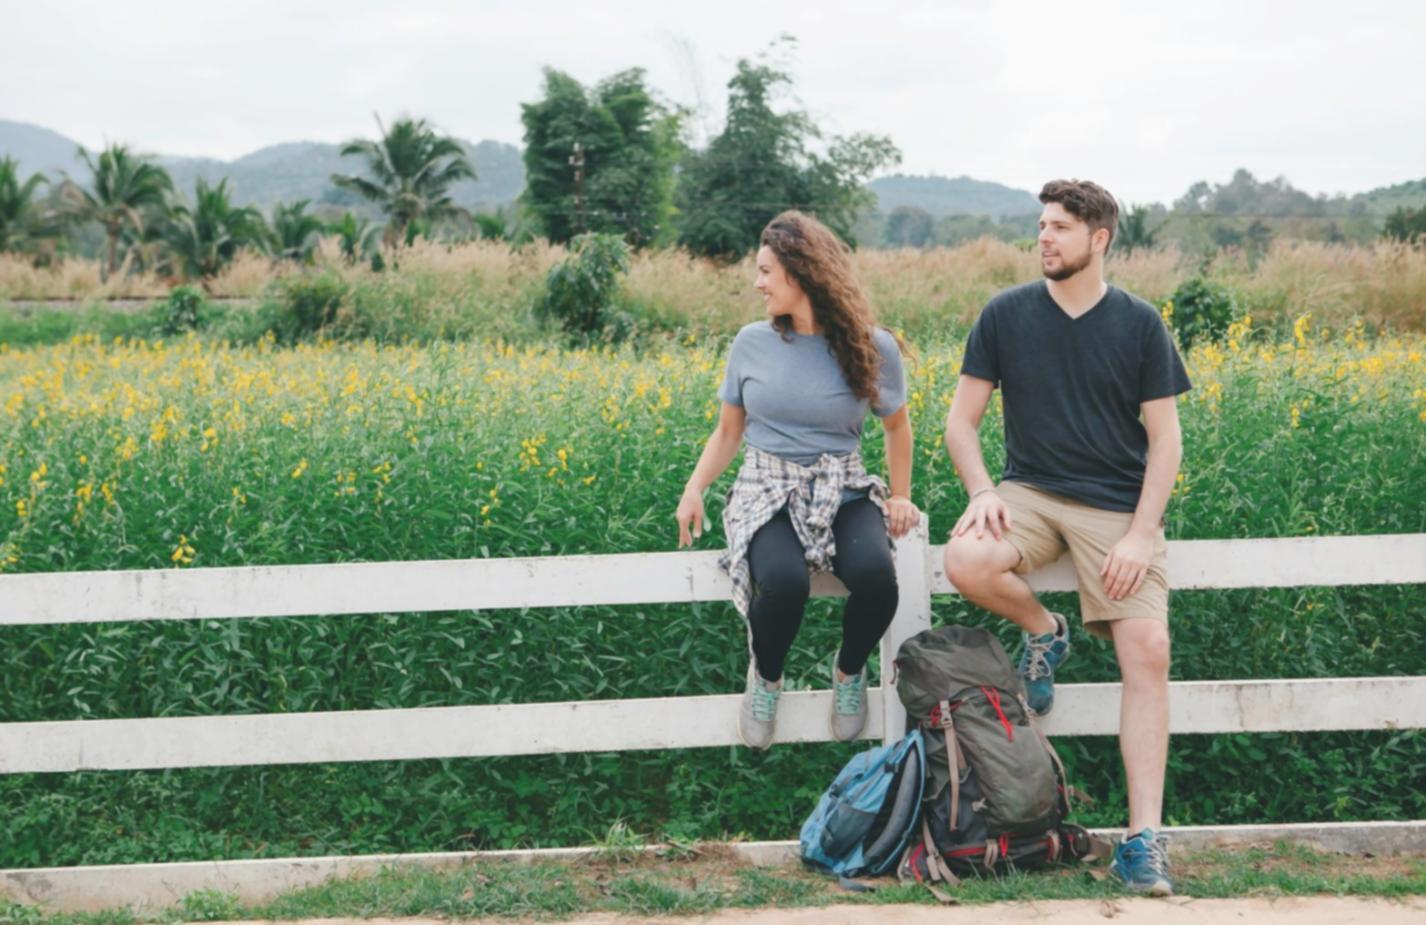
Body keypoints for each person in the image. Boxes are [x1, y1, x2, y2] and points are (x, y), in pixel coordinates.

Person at [941, 180, 1190, 896]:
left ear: (1099, 238)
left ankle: (1143, 840)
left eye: (1059, 227)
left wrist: (1142, 533)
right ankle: (1045, 629)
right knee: (967, 555)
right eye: (1041, 226)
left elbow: (1166, 440)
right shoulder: (1005, 314)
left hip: (1115, 507)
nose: (1044, 238)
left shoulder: (1140, 323)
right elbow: (962, 423)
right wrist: (983, 491)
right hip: (1027, 494)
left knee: (1148, 648)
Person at [675, 210, 919, 751]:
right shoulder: (751, 343)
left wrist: (900, 495)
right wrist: (695, 489)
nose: (758, 283)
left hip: (843, 484)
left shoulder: (871, 346)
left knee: (878, 579)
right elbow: (727, 432)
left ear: (802, 272)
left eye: (766, 271)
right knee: (784, 583)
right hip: (767, 486)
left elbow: (898, 428)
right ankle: (766, 676)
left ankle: (848, 672)